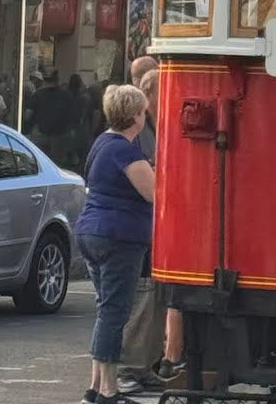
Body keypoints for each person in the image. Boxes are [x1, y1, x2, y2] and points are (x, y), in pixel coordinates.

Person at [78, 85, 156, 404]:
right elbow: (154, 193)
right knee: (115, 313)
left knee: (105, 310)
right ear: (135, 116)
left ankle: (95, 388)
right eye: (143, 111)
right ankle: (109, 390)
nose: (145, 116)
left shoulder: (102, 143)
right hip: (119, 236)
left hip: (92, 231)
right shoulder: (126, 152)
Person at [116, 67, 169, 396]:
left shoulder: (155, 126)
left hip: (152, 224)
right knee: (141, 295)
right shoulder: (135, 135)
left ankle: (146, 363)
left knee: (154, 295)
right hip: (135, 224)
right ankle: (130, 367)